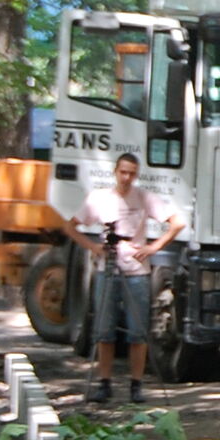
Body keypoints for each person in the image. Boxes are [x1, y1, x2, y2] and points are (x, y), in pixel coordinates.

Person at [65, 152, 185, 404]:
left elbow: (177, 223)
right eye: (123, 172)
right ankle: (104, 383)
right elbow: (70, 226)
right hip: (106, 268)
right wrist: (93, 246)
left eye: (131, 173)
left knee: (137, 331)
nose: (127, 178)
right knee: (104, 329)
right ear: (115, 172)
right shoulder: (99, 198)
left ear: (136, 175)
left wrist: (153, 247)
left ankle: (136, 385)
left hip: (136, 271)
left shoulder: (144, 197)